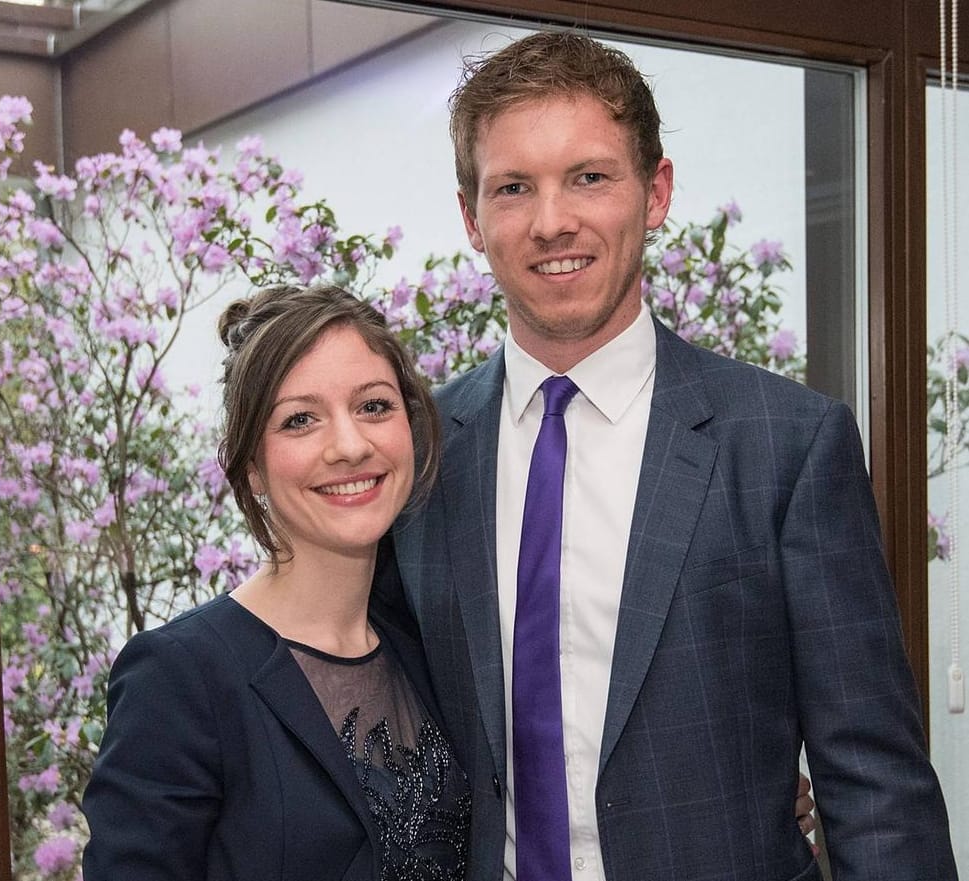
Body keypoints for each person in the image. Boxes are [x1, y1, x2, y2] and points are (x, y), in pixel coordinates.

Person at [383, 29, 958, 881]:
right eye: (513, 187)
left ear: (654, 193)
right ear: (471, 217)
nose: (552, 222)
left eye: (588, 176)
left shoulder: (785, 443)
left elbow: (873, 782)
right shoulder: (418, 453)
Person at [80, 283, 472, 880]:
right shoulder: (180, 677)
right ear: (251, 467)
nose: (349, 445)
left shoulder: (422, 645)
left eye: (373, 406)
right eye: (300, 420)